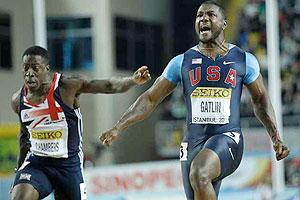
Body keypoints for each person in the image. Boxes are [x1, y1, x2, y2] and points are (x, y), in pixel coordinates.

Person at [99, 1, 290, 200]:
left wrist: (275, 137)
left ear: (224, 23)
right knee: (198, 184)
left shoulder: (244, 60)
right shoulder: (181, 62)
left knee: (200, 174)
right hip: (192, 142)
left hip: (228, 137)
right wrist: (118, 127)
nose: (203, 19)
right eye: (199, 16)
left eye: (210, 15)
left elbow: (260, 100)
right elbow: (149, 98)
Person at [10, 45, 151, 200]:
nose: (29, 74)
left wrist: (132, 80)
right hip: (38, 164)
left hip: (68, 168)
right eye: (26, 68)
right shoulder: (18, 100)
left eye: (35, 68)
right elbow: (24, 136)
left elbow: (108, 85)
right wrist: (19, 171)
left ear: (46, 68)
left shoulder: (67, 86)